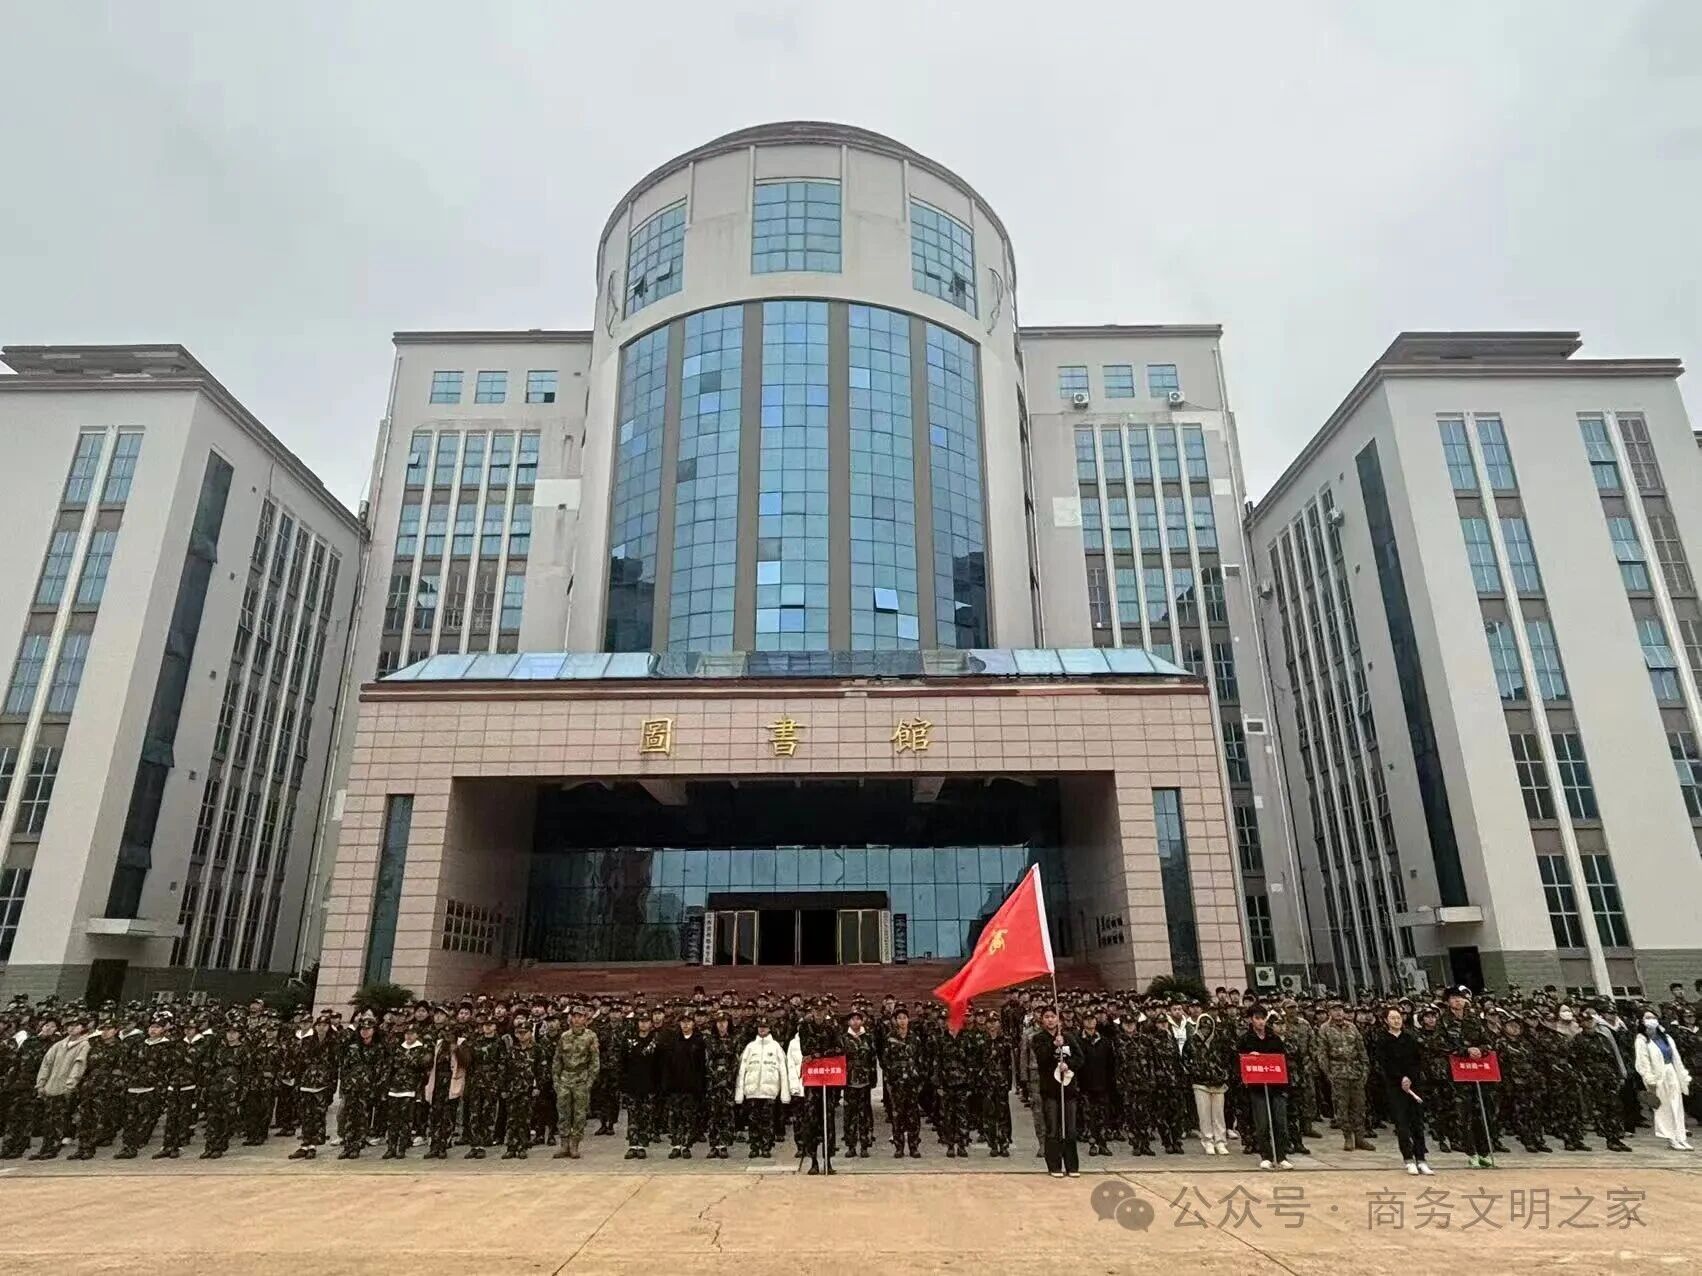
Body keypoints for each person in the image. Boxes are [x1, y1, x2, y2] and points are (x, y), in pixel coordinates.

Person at [1373, 1006, 1432, 1175]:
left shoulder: (1410, 1038)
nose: (1396, 1021)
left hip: (1413, 1084)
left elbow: (1417, 1060)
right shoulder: (1382, 1040)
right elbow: (1384, 1063)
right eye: (1392, 1018)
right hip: (1395, 1086)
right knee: (1402, 1124)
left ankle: (1421, 1159)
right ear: (1386, 1020)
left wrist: (1410, 1077)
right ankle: (1408, 1159)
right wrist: (1400, 1078)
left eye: (1398, 1017)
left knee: (1417, 1123)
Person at [1235, 1005, 1292, 1170]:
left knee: (1280, 1123)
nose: (1260, 1022)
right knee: (1262, 1123)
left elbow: (1283, 1061)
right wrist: (1249, 1058)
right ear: (1251, 1019)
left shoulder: (1274, 1038)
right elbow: (1238, 1062)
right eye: (1257, 1018)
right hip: (1257, 1088)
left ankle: (1281, 1156)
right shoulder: (1245, 1040)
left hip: (1277, 1087)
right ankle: (1266, 1155)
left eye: (1263, 1018)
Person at [1028, 1005, 1082, 1178]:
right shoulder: (1038, 1038)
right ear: (1042, 1020)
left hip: (1068, 1089)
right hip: (1050, 1090)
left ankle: (1072, 1166)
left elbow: (1080, 1058)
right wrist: (1054, 1045)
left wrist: (1069, 1064)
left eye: (1053, 1016)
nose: (1050, 1020)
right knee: (1052, 1129)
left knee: (1070, 1129)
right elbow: (1042, 1059)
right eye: (1047, 1017)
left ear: (1058, 1019)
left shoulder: (1068, 1037)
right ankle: (1054, 1166)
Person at [1318, 1002, 1375, 1152]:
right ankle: (1348, 1136)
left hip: (1355, 1072)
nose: (1338, 1012)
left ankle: (1360, 1137)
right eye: (1335, 1010)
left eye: (1340, 1009)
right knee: (1342, 1107)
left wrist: (1364, 1069)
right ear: (1329, 1012)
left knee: (1359, 1106)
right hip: (1338, 1072)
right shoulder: (1325, 1029)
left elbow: (1361, 1049)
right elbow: (1322, 1053)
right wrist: (1328, 1073)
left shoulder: (1352, 1027)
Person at [31, 1014, 88, 1160]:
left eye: (75, 1025)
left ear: (82, 1027)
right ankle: (45, 1148)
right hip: (51, 1087)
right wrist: (41, 1083)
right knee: (48, 1120)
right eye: (69, 1025)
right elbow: (46, 1064)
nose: (72, 1028)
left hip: (66, 1088)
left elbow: (79, 1065)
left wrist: (70, 1084)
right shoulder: (59, 1045)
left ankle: (53, 1148)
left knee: (59, 1120)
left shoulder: (84, 1045)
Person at [1634, 1011, 1693, 1150]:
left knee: (1677, 1105)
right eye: (1648, 1017)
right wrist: (1650, 1080)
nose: (1652, 1020)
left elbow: (1676, 1058)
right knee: (1664, 1107)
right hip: (1657, 1076)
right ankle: (1671, 1138)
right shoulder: (1641, 1040)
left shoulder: (1666, 1037)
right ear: (1642, 1021)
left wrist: (1683, 1075)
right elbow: (1643, 1062)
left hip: (1671, 1071)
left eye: (1653, 1017)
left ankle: (1681, 1137)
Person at [733, 1016, 789, 1159]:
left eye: (765, 1027)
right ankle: (754, 1147)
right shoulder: (750, 1047)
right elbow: (742, 1070)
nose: (762, 1029)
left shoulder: (776, 1047)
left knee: (767, 1121)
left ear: (769, 1029)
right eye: (760, 1027)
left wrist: (785, 1093)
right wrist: (739, 1093)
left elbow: (783, 1071)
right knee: (753, 1122)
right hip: (752, 1092)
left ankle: (766, 1147)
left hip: (769, 1092)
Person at [550, 1004, 600, 1159]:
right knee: (563, 1112)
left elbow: (594, 1061)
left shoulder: (591, 1036)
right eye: (575, 1016)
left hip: (581, 1079)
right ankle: (564, 1144)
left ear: (586, 1019)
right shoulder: (564, 1036)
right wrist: (556, 1080)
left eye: (580, 1016)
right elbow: (557, 1059)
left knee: (579, 1114)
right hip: (565, 1078)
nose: (577, 1019)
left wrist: (590, 1081)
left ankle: (574, 1144)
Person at [658, 1009, 706, 1159]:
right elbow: (666, 1064)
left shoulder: (699, 1041)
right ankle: (676, 1145)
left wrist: (700, 1086)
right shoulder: (673, 1041)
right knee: (674, 1117)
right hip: (675, 1086)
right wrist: (666, 1084)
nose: (685, 1025)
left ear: (693, 1023)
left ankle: (686, 1145)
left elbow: (702, 1066)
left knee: (689, 1117)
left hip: (691, 1087)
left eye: (688, 1022)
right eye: (683, 1022)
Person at [1182, 1011, 1231, 1155]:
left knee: (1218, 1115)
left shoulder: (1219, 1041)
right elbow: (1185, 1060)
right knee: (1204, 1115)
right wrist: (1195, 1072)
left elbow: (1227, 1059)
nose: (1206, 1031)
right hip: (1200, 1083)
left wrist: (1223, 1074)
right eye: (1203, 1028)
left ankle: (1220, 1141)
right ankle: (1207, 1141)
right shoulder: (1191, 1042)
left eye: (1208, 1028)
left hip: (1218, 1083)